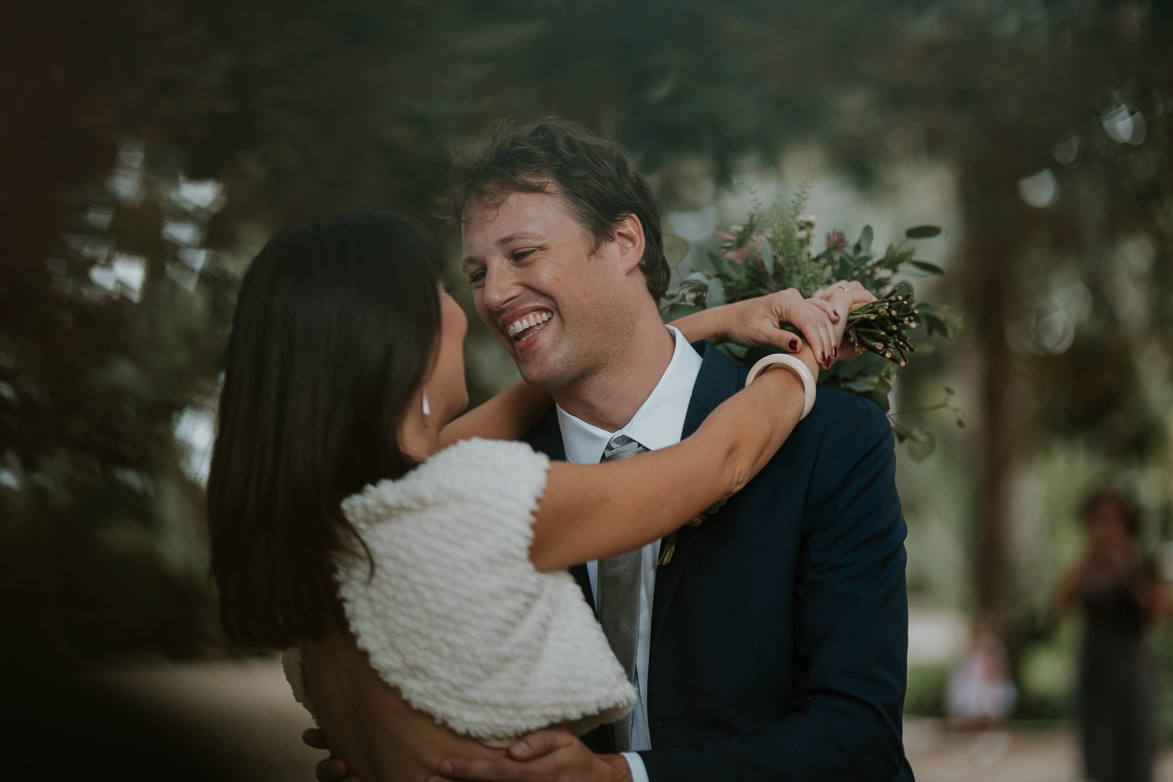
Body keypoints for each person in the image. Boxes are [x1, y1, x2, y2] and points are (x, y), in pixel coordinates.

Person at [313, 119, 914, 782]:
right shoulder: (476, 484)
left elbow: (858, 739)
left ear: (624, 241)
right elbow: (719, 463)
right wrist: (797, 364)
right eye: (476, 273)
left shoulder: (831, 440)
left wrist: (623, 777)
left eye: (521, 254)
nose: (491, 294)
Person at [208, 211, 843, 782]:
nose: (469, 307)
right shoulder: (464, 502)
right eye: (445, 287)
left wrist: (719, 322)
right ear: (397, 332)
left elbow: (534, 390)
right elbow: (722, 462)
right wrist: (803, 360)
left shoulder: (343, 522)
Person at [1057, 489, 1171, 782]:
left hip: (1130, 669)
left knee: (1134, 752)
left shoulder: (1140, 563)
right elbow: (1060, 602)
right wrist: (1089, 555)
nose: (1105, 527)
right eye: (1098, 519)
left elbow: (1162, 612)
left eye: (1112, 519)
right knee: (1098, 757)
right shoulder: (1086, 566)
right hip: (1095, 669)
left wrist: (1128, 568)